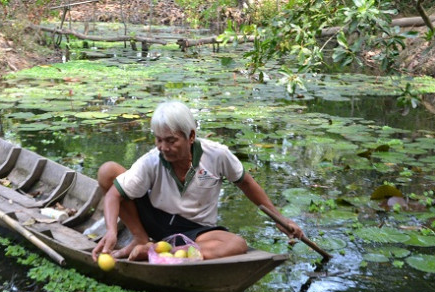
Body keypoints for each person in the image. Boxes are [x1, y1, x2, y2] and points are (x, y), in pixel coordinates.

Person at [92, 100, 304, 261]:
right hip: (154, 219)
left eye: (171, 140)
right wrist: (111, 230)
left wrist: (279, 218)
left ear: (190, 137)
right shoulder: (152, 160)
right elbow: (113, 194)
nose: (163, 147)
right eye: (159, 140)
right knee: (109, 171)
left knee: (237, 244)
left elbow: (246, 183)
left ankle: (161, 251)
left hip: (195, 230)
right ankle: (140, 238)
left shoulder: (218, 155)